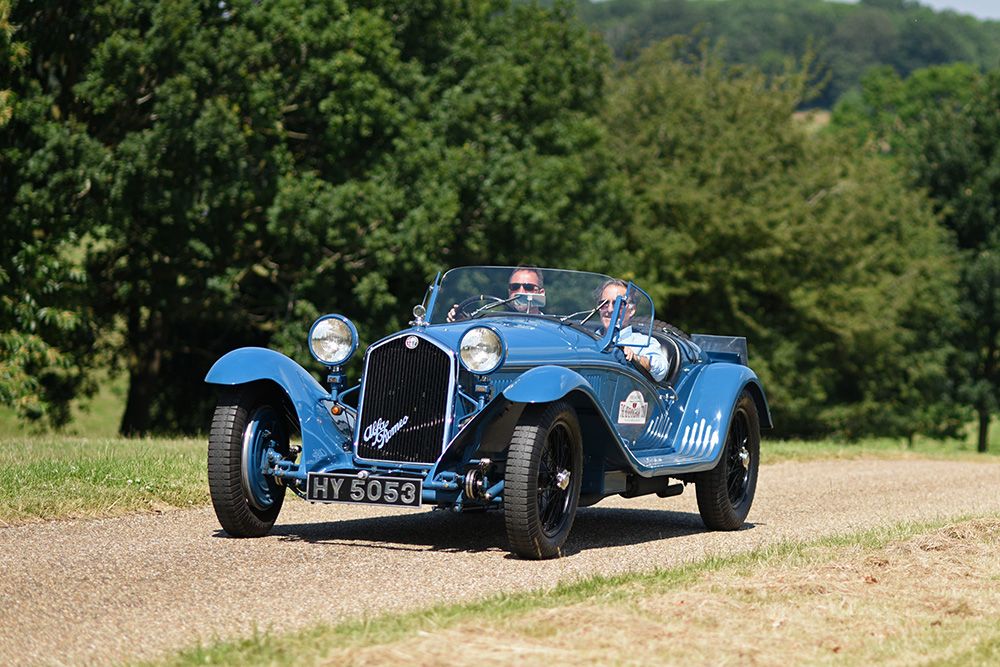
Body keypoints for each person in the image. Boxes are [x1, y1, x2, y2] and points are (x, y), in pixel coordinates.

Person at [597, 279, 668, 382]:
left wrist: (635, 358)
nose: (610, 310)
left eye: (619, 304)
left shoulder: (643, 342)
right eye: (604, 303)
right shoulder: (586, 337)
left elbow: (661, 370)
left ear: (632, 310)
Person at [447, 266, 545, 321]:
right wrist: (464, 321)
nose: (520, 291)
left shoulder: (554, 328)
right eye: (515, 287)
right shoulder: (495, 325)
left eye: (528, 287)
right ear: (509, 291)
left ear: (541, 293)